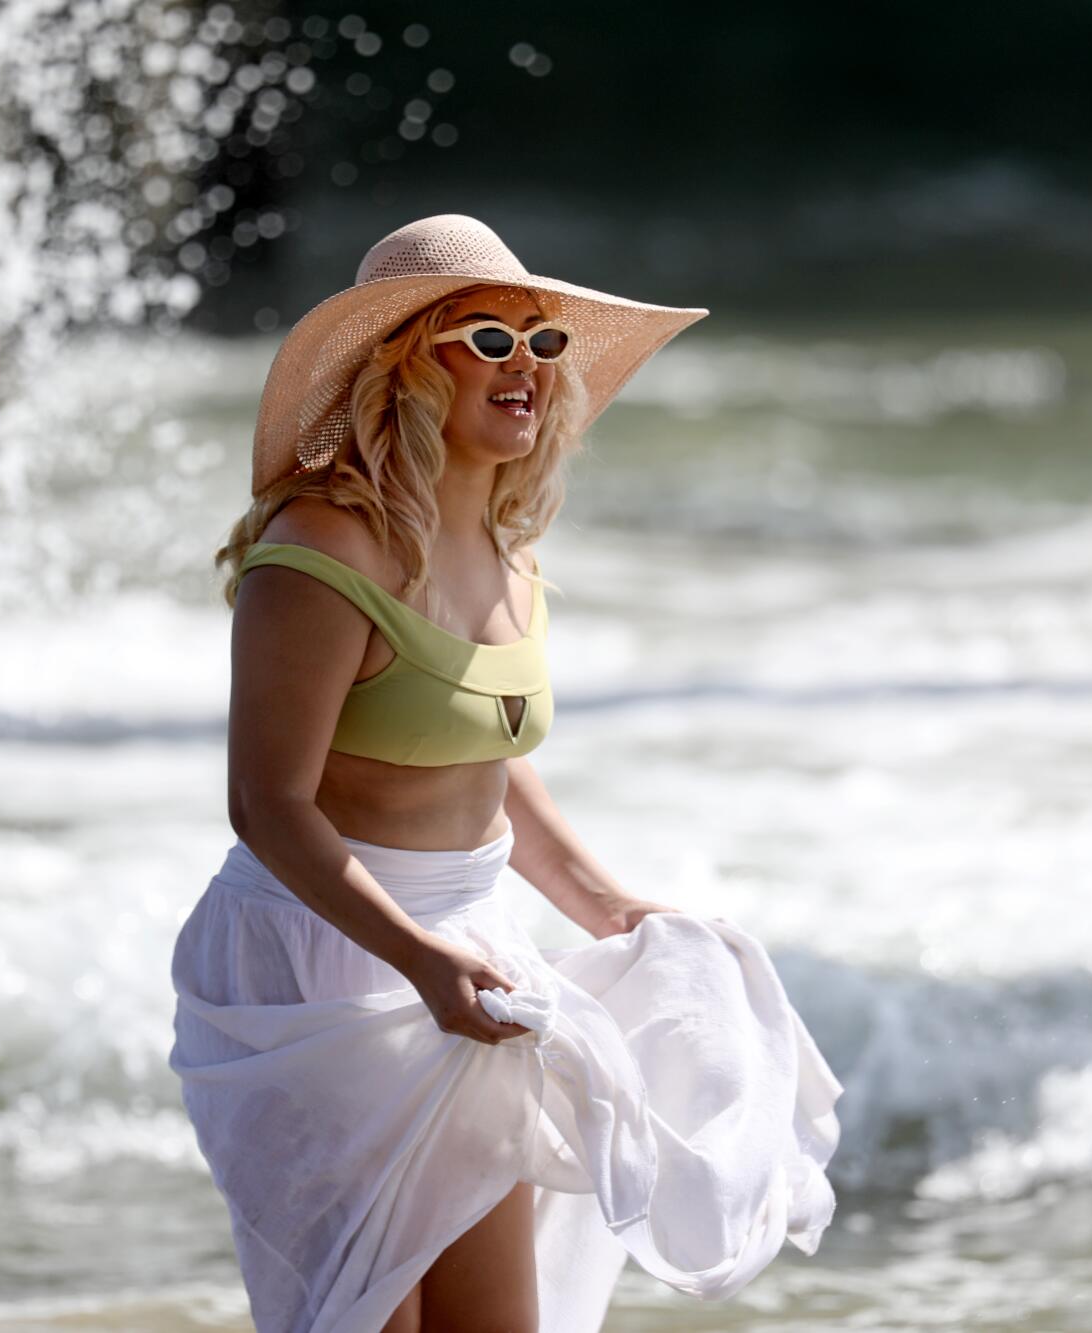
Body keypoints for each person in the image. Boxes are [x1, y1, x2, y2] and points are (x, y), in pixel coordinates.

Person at [169, 214, 843, 1333]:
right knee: (366, 1309)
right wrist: (417, 955)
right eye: (485, 338)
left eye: (541, 344)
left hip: (471, 944)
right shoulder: (320, 550)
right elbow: (267, 808)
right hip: (322, 955)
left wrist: (602, 901)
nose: (524, 367)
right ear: (402, 367)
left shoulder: (505, 540)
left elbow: (485, 759)